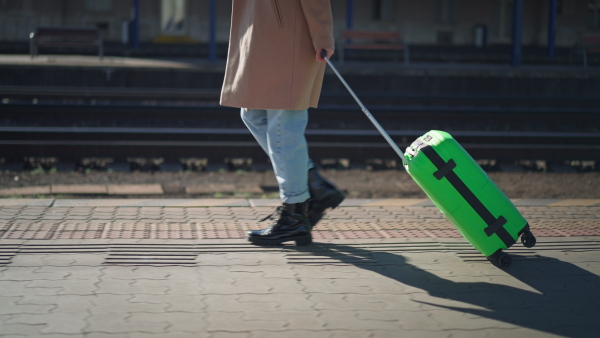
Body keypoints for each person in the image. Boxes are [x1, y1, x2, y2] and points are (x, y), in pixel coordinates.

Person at [220, 0, 344, 246]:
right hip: (259, 31)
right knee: (252, 113)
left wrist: (322, 35)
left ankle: (294, 214)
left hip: (287, 33)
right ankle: (313, 185)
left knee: (283, 124)